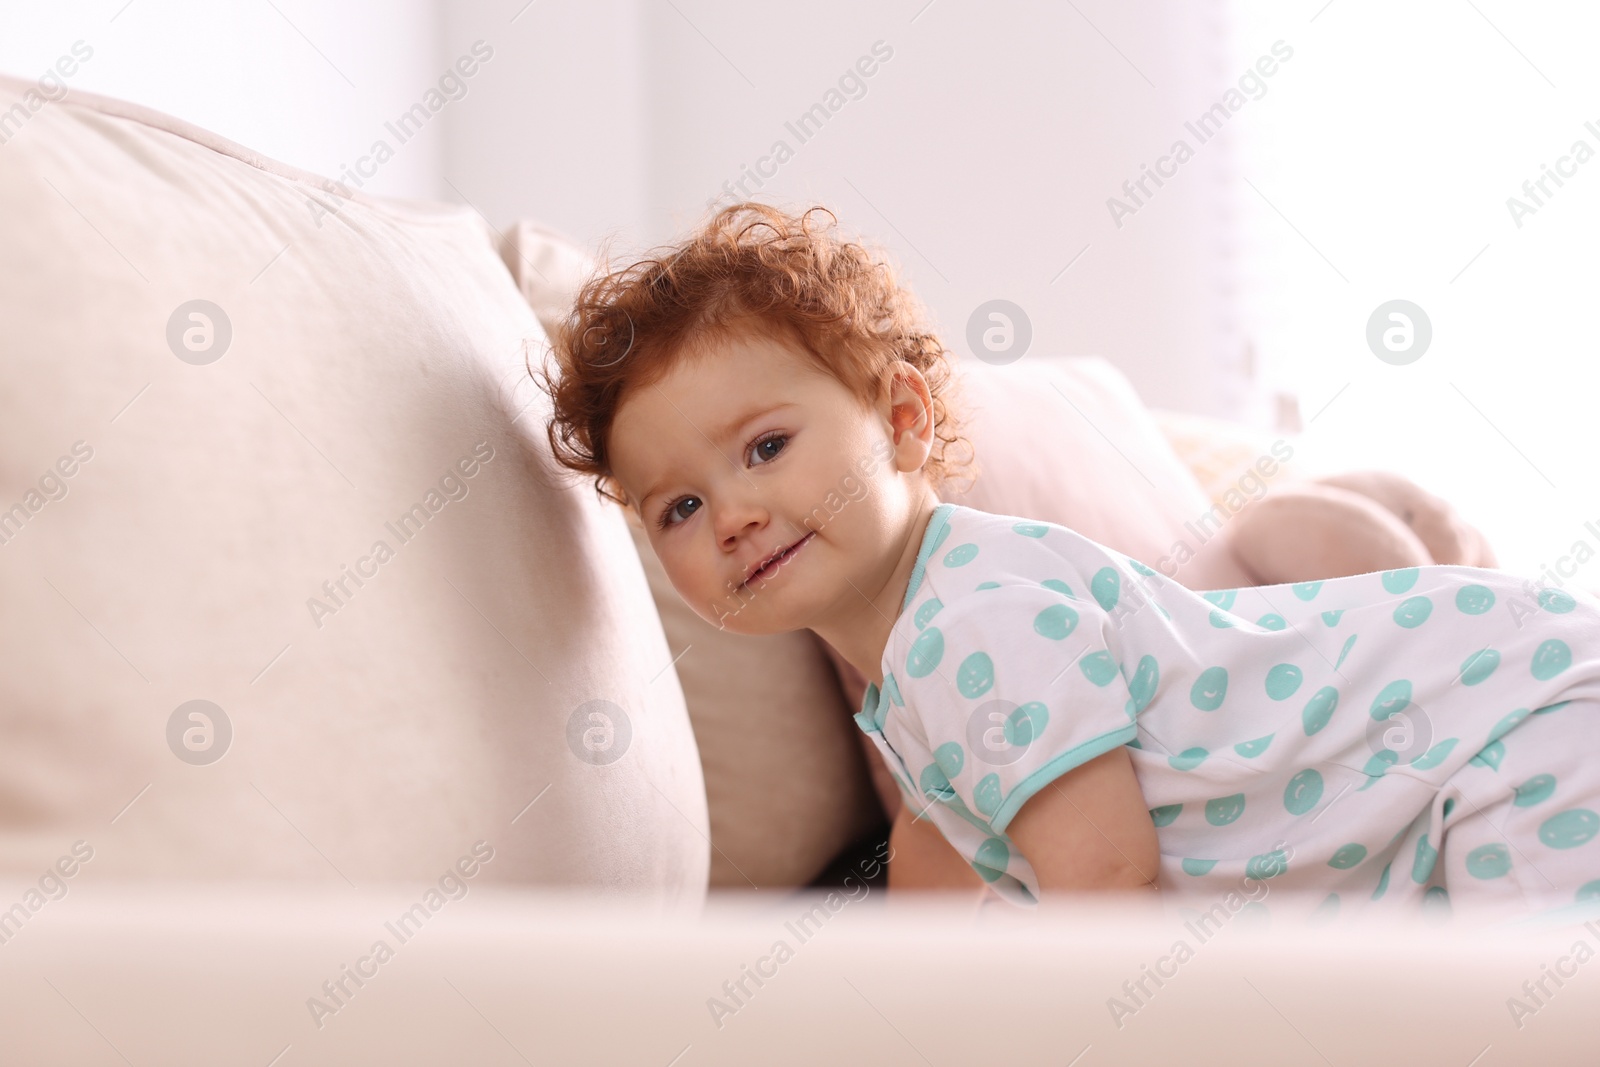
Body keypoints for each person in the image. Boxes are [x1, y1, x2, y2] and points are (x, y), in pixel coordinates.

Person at [536, 201, 1600, 927]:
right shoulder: (921, 661)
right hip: (1489, 710)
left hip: (1506, 707)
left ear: (903, 421)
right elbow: (943, 851)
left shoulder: (972, 619)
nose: (731, 515)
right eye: (678, 506)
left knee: (1528, 1003)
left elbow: (1107, 883)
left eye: (766, 447)